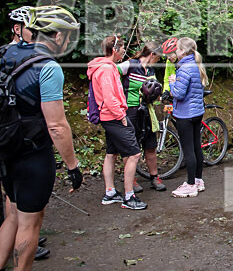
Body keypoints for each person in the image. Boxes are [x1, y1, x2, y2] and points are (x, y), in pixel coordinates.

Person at [0, 6, 82, 271]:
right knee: (30, 220)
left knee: (12, 214)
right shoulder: (47, 67)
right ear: (59, 36)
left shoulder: (0, 56)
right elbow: (56, 125)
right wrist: (73, 166)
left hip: (4, 152)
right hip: (31, 154)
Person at [88, 36, 146, 210]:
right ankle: (129, 197)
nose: (124, 52)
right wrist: (121, 115)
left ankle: (110, 192)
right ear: (115, 50)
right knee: (134, 154)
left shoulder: (104, 67)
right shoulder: (106, 69)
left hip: (110, 116)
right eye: (122, 49)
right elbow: (108, 96)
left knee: (111, 153)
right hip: (113, 117)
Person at [117, 41, 166, 192]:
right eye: (158, 57)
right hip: (130, 110)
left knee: (150, 145)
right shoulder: (130, 65)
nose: (158, 60)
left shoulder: (150, 71)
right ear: (152, 55)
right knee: (131, 147)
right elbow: (111, 75)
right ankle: (131, 179)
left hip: (147, 111)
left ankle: (154, 177)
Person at [169, 38, 208, 198]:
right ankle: (198, 180)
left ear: (183, 51)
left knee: (188, 150)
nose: (175, 52)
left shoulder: (184, 68)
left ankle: (190, 185)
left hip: (185, 114)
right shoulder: (196, 65)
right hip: (197, 112)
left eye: (177, 49)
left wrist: (172, 83)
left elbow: (178, 93)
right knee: (197, 146)